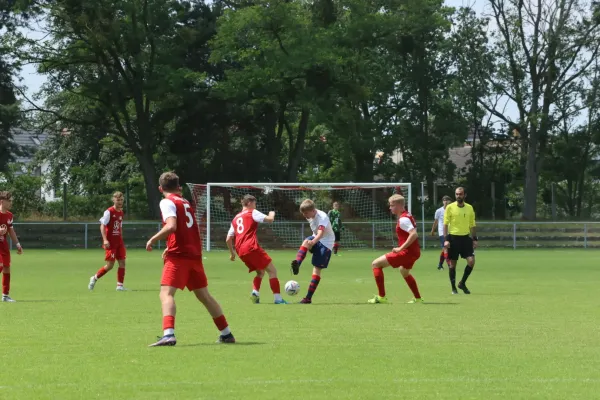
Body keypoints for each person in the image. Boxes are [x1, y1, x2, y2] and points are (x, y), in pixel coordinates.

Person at [146, 172, 235, 346]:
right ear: (178, 187)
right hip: (194, 255)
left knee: (166, 293)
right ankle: (226, 333)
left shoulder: (167, 201)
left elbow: (172, 226)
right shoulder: (185, 202)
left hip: (179, 256)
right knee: (205, 296)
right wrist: (169, 245)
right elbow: (187, 229)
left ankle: (168, 334)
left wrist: (153, 239)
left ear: (160, 188)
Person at [225, 194, 287, 304]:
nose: (255, 205)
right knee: (272, 271)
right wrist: (272, 213)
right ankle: (278, 299)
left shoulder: (235, 218)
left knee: (260, 272)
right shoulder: (252, 212)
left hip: (241, 251)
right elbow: (270, 219)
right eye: (254, 203)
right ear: (249, 203)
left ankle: (255, 293)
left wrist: (232, 253)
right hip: (251, 247)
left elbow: (228, 239)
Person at [368, 194, 423, 304]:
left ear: (398, 205)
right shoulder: (407, 215)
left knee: (375, 264)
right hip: (415, 252)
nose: (390, 207)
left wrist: (400, 248)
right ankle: (418, 298)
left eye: (392, 205)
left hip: (407, 252)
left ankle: (381, 297)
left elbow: (414, 234)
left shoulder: (403, 219)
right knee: (404, 271)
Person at [290, 199, 335, 304]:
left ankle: (308, 298)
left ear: (312, 210)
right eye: (303, 213)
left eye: (306, 213)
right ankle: (297, 264)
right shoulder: (309, 216)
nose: (304, 215)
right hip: (317, 238)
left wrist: (313, 242)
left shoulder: (322, 217)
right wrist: (312, 242)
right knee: (305, 241)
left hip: (326, 243)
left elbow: (320, 233)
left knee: (316, 269)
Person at [88, 192, 127, 291]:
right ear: (113, 200)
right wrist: (105, 240)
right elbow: (102, 225)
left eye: (121, 200)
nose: (120, 202)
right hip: (111, 243)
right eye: (118, 200)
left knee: (122, 263)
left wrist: (121, 238)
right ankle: (94, 278)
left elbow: (120, 226)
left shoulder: (121, 212)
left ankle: (120, 286)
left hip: (119, 242)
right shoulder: (109, 211)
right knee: (110, 265)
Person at [443, 187, 477, 294]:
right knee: (453, 264)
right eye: (457, 194)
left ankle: (462, 283)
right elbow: (445, 224)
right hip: (453, 238)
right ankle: (454, 288)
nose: (458, 196)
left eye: (460, 194)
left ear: (464, 195)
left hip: (466, 238)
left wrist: (474, 238)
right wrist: (446, 240)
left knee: (471, 261)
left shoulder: (469, 208)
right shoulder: (450, 207)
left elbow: (472, 224)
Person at [0, 191, 23, 302]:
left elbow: (11, 231)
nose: (11, 203)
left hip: (3, 244)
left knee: (7, 267)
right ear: (2, 201)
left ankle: (5, 295)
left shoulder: (9, 215)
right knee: (0, 265)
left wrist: (18, 244)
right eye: (9, 201)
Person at [431, 195, 452, 270]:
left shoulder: (453, 210)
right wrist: (432, 230)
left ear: (450, 201)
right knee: (446, 247)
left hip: (451, 231)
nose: (445, 201)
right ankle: (450, 265)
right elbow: (436, 222)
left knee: (445, 248)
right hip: (442, 232)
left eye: (447, 200)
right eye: (444, 200)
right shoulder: (439, 211)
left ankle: (440, 265)